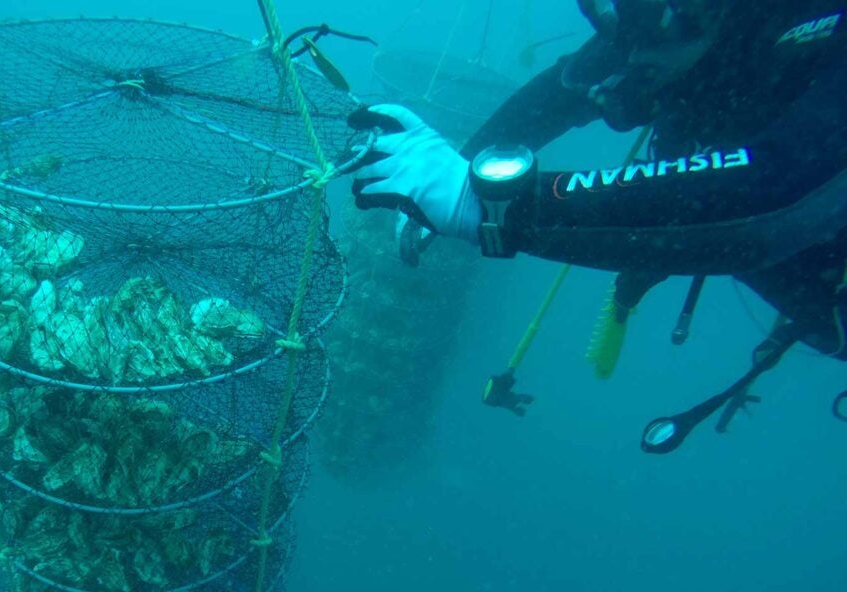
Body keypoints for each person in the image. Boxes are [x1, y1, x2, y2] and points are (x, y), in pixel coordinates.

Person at [348, 0, 847, 451]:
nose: (631, 37)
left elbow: (774, 197)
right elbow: (558, 93)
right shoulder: (652, 28)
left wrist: (495, 203)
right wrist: (468, 161)